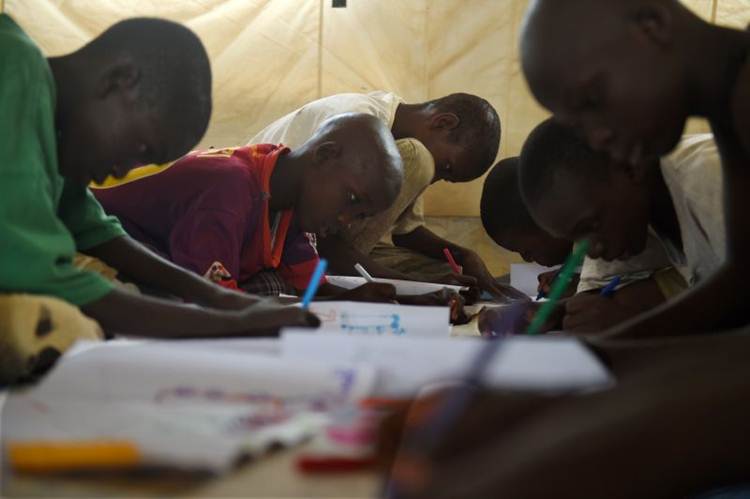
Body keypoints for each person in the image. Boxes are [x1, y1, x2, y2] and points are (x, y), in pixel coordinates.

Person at [0, 14, 317, 340]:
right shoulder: (13, 65)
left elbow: (96, 231)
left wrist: (220, 298)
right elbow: (40, 272)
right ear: (121, 80)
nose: (124, 170)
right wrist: (233, 324)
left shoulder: (55, 136)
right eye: (140, 147)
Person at [519, 0, 750, 337]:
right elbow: (739, 283)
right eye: (581, 125)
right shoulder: (729, 106)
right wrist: (602, 354)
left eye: (593, 101)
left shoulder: (733, 114)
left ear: (651, 26)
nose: (599, 137)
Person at [93, 113, 406, 303]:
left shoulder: (284, 194)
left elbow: (311, 290)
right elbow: (212, 302)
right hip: (96, 249)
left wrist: (365, 299)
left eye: (360, 215)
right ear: (324, 156)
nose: (345, 220)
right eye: (351, 200)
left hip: (180, 263)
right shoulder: (230, 190)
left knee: (275, 288)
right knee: (182, 303)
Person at [249, 91, 525, 301]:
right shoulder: (362, 123)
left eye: (446, 178)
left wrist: (462, 255)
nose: (436, 177)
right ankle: (344, 275)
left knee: (450, 278)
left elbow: (405, 232)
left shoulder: (396, 138)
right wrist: (411, 292)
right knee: (419, 160)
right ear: (442, 122)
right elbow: (326, 239)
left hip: (333, 242)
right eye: (447, 167)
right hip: (290, 233)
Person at [519, 120, 722, 337]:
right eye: (576, 238)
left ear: (630, 168)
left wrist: (642, 327)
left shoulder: (710, 178)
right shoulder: (629, 211)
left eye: (590, 226)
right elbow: (596, 296)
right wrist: (557, 313)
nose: (592, 251)